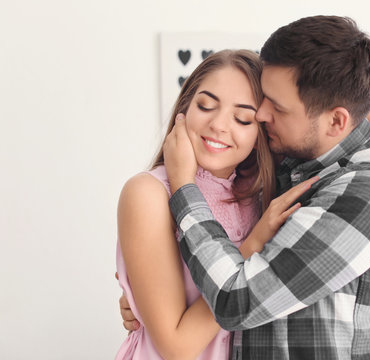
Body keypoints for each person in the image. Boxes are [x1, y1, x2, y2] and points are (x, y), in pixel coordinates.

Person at [156, 15, 370, 359]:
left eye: (278, 108)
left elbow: (234, 301)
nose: (260, 114)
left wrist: (183, 188)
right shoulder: (292, 152)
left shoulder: (369, 192)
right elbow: (357, 110)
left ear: (335, 121)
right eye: (264, 99)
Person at [115, 49, 319, 359]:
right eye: (206, 105)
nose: (219, 125)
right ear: (185, 108)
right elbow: (176, 347)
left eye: (242, 117)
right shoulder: (149, 193)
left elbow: (339, 110)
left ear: (263, 129)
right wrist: (253, 244)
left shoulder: (263, 193)